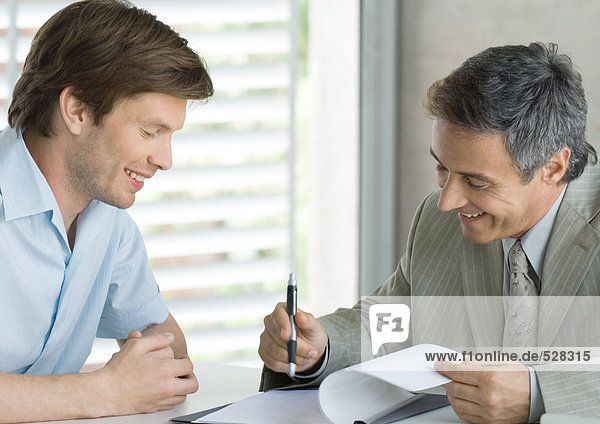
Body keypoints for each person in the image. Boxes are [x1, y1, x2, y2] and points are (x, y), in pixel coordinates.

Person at [259, 42, 600, 423]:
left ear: (553, 167)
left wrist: (539, 395)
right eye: (443, 169)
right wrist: (319, 346)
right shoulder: (442, 221)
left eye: (475, 181)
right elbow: (394, 320)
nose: (448, 201)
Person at [0, 0, 213, 421]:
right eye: (150, 131)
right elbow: (110, 391)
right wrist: (100, 391)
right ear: (77, 110)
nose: (165, 159)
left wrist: (147, 368)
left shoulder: (109, 224)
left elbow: (167, 355)